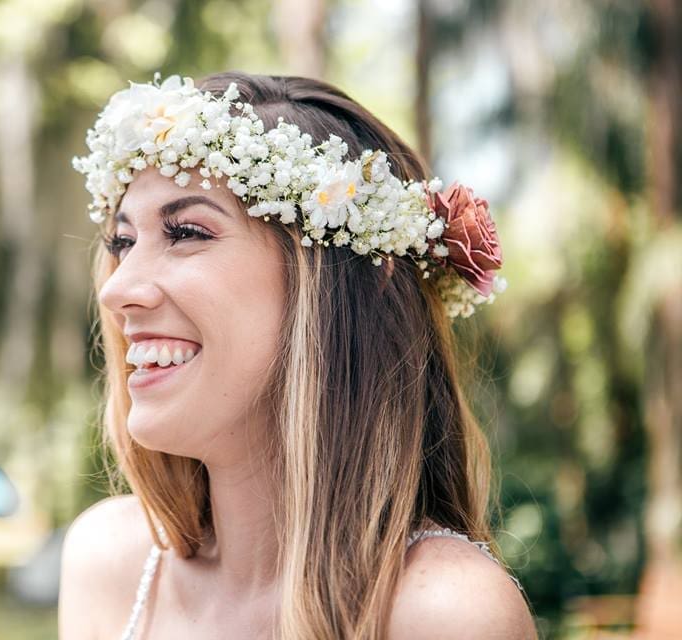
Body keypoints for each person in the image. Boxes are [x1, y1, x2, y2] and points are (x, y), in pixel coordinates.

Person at [59, 71, 539, 639]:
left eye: (187, 232)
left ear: (336, 286)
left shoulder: (444, 612)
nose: (117, 290)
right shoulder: (108, 562)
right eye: (122, 242)